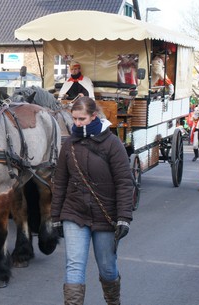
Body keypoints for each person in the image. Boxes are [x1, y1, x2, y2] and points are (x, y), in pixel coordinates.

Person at [51, 97, 133, 305]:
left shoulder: (112, 143)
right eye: (74, 119)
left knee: (107, 268)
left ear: (93, 116)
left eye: (82, 119)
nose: (77, 124)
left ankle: (113, 301)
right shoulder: (69, 144)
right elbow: (59, 182)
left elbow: (124, 182)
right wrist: (55, 217)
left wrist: (124, 217)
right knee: (74, 265)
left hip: (105, 214)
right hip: (74, 212)